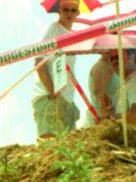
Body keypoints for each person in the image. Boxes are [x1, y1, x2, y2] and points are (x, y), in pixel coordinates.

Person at [33, 0, 81, 138]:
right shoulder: (52, 30)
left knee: (67, 146)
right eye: (66, 9)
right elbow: (39, 62)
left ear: (78, 13)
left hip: (66, 98)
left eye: (73, 10)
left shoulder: (74, 35)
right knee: (50, 143)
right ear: (59, 11)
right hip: (49, 97)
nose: (69, 13)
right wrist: (53, 92)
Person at [87, 50, 121, 125]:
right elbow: (100, 97)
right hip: (103, 118)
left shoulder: (110, 65)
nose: (107, 49)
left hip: (109, 118)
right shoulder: (102, 67)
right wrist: (108, 119)